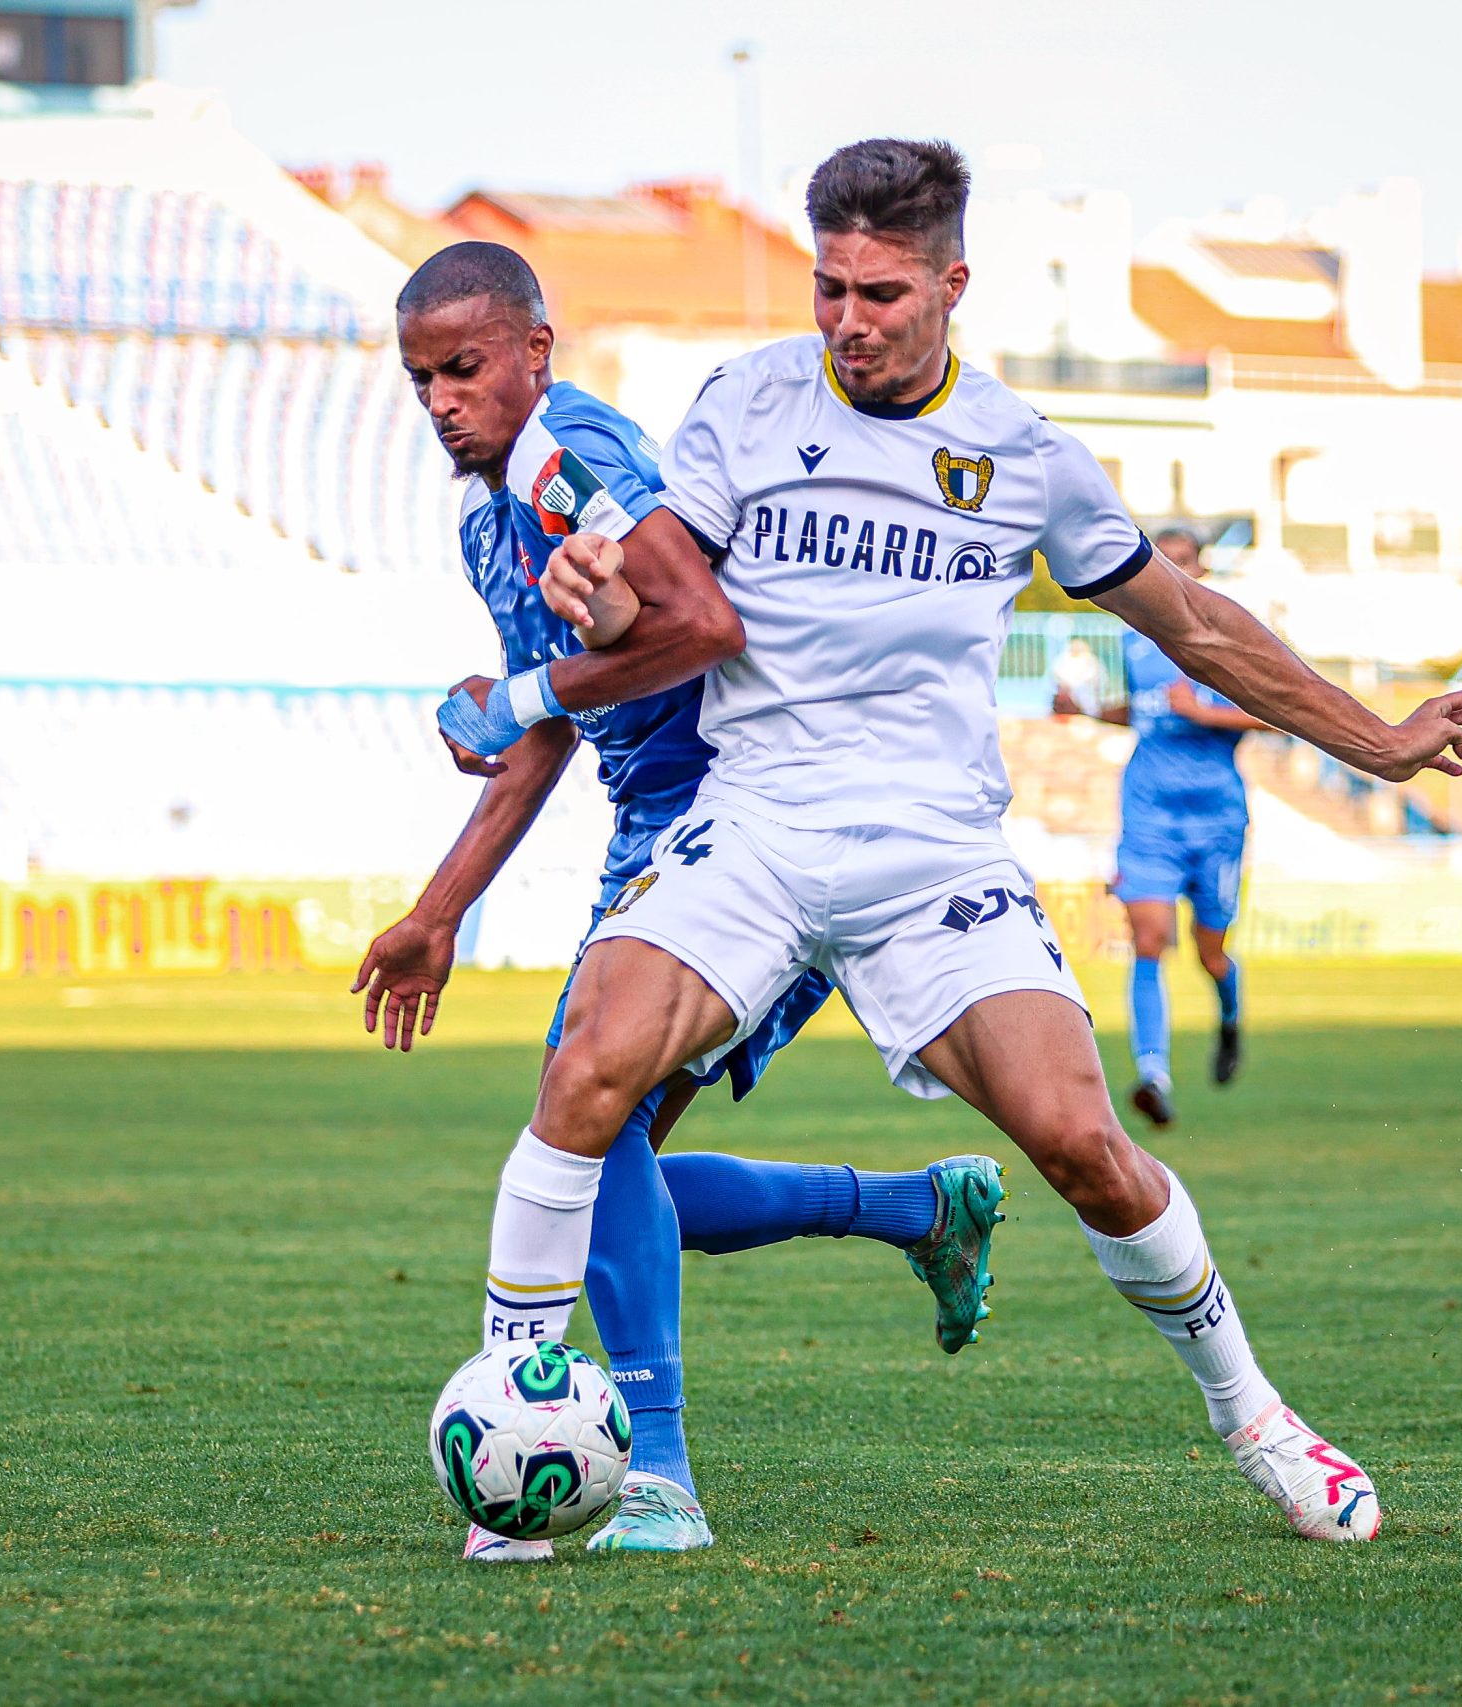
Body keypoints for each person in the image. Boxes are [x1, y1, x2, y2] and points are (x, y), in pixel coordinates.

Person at [438, 139, 1462, 1544]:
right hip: (750, 826)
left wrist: (1380, 737)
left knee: (1083, 1145)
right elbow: (663, 600)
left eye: (879, 291)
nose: (847, 321)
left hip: (932, 857)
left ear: (951, 283)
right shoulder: (744, 403)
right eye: (827, 288)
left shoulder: (1024, 455)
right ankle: (521, 1442)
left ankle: (1258, 1416)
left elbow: (1192, 625)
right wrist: (597, 595)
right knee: (584, 1073)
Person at [360, 241, 1006, 1560]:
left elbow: (703, 623)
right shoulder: (494, 519)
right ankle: (919, 1209)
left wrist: (523, 698)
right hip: (660, 830)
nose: (440, 398)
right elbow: (541, 729)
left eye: (464, 367)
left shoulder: (583, 454)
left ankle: (654, 1468)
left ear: (535, 351)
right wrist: (439, 908)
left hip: (756, 822)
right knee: (607, 1156)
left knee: (583, 1138)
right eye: (421, 375)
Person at [1053, 525, 1273, 1126]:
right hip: (1148, 813)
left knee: (1211, 953)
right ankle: (1154, 1075)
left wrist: (1199, 711)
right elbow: (1145, 713)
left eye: (1182, 563)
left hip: (1217, 819)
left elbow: (1275, 717)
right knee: (1147, 940)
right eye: (1162, 562)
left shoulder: (1229, 636)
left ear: (1201, 571)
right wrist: (1090, 711)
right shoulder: (1135, 640)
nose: (1171, 573)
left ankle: (1229, 1019)